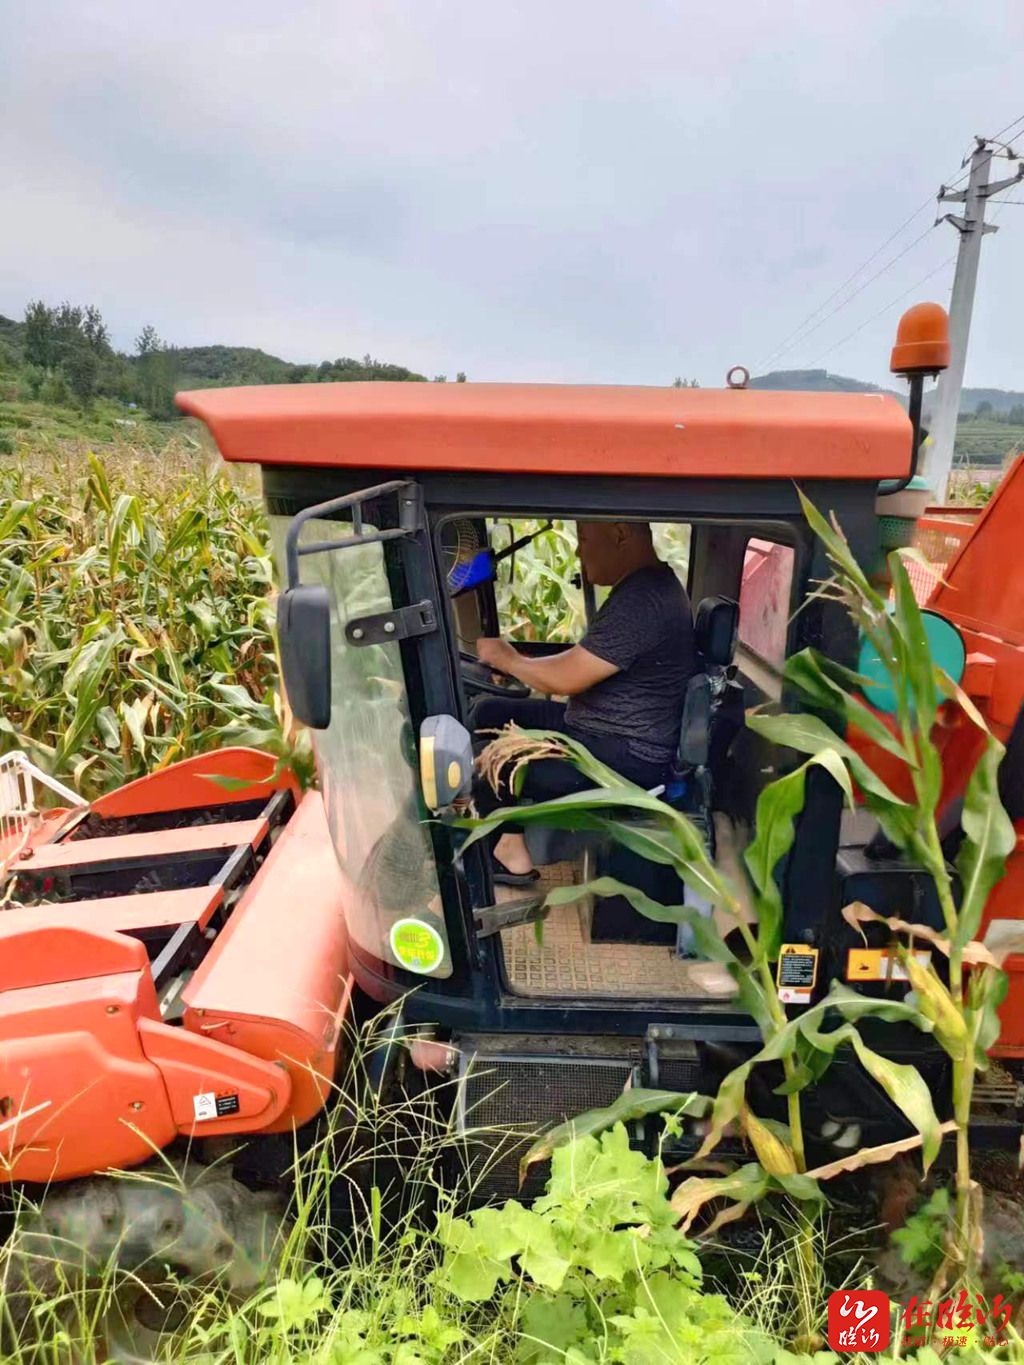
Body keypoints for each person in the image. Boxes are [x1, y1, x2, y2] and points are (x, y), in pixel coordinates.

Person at [472, 520, 695, 883]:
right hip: (597, 729)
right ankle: (500, 829)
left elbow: (567, 678)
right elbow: (582, 660)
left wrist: (507, 659)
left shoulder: (645, 599)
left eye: (585, 539)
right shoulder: (645, 587)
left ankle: (510, 852)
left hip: (626, 756)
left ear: (620, 534)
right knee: (488, 713)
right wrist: (520, 665)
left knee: (494, 761)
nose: (577, 551)